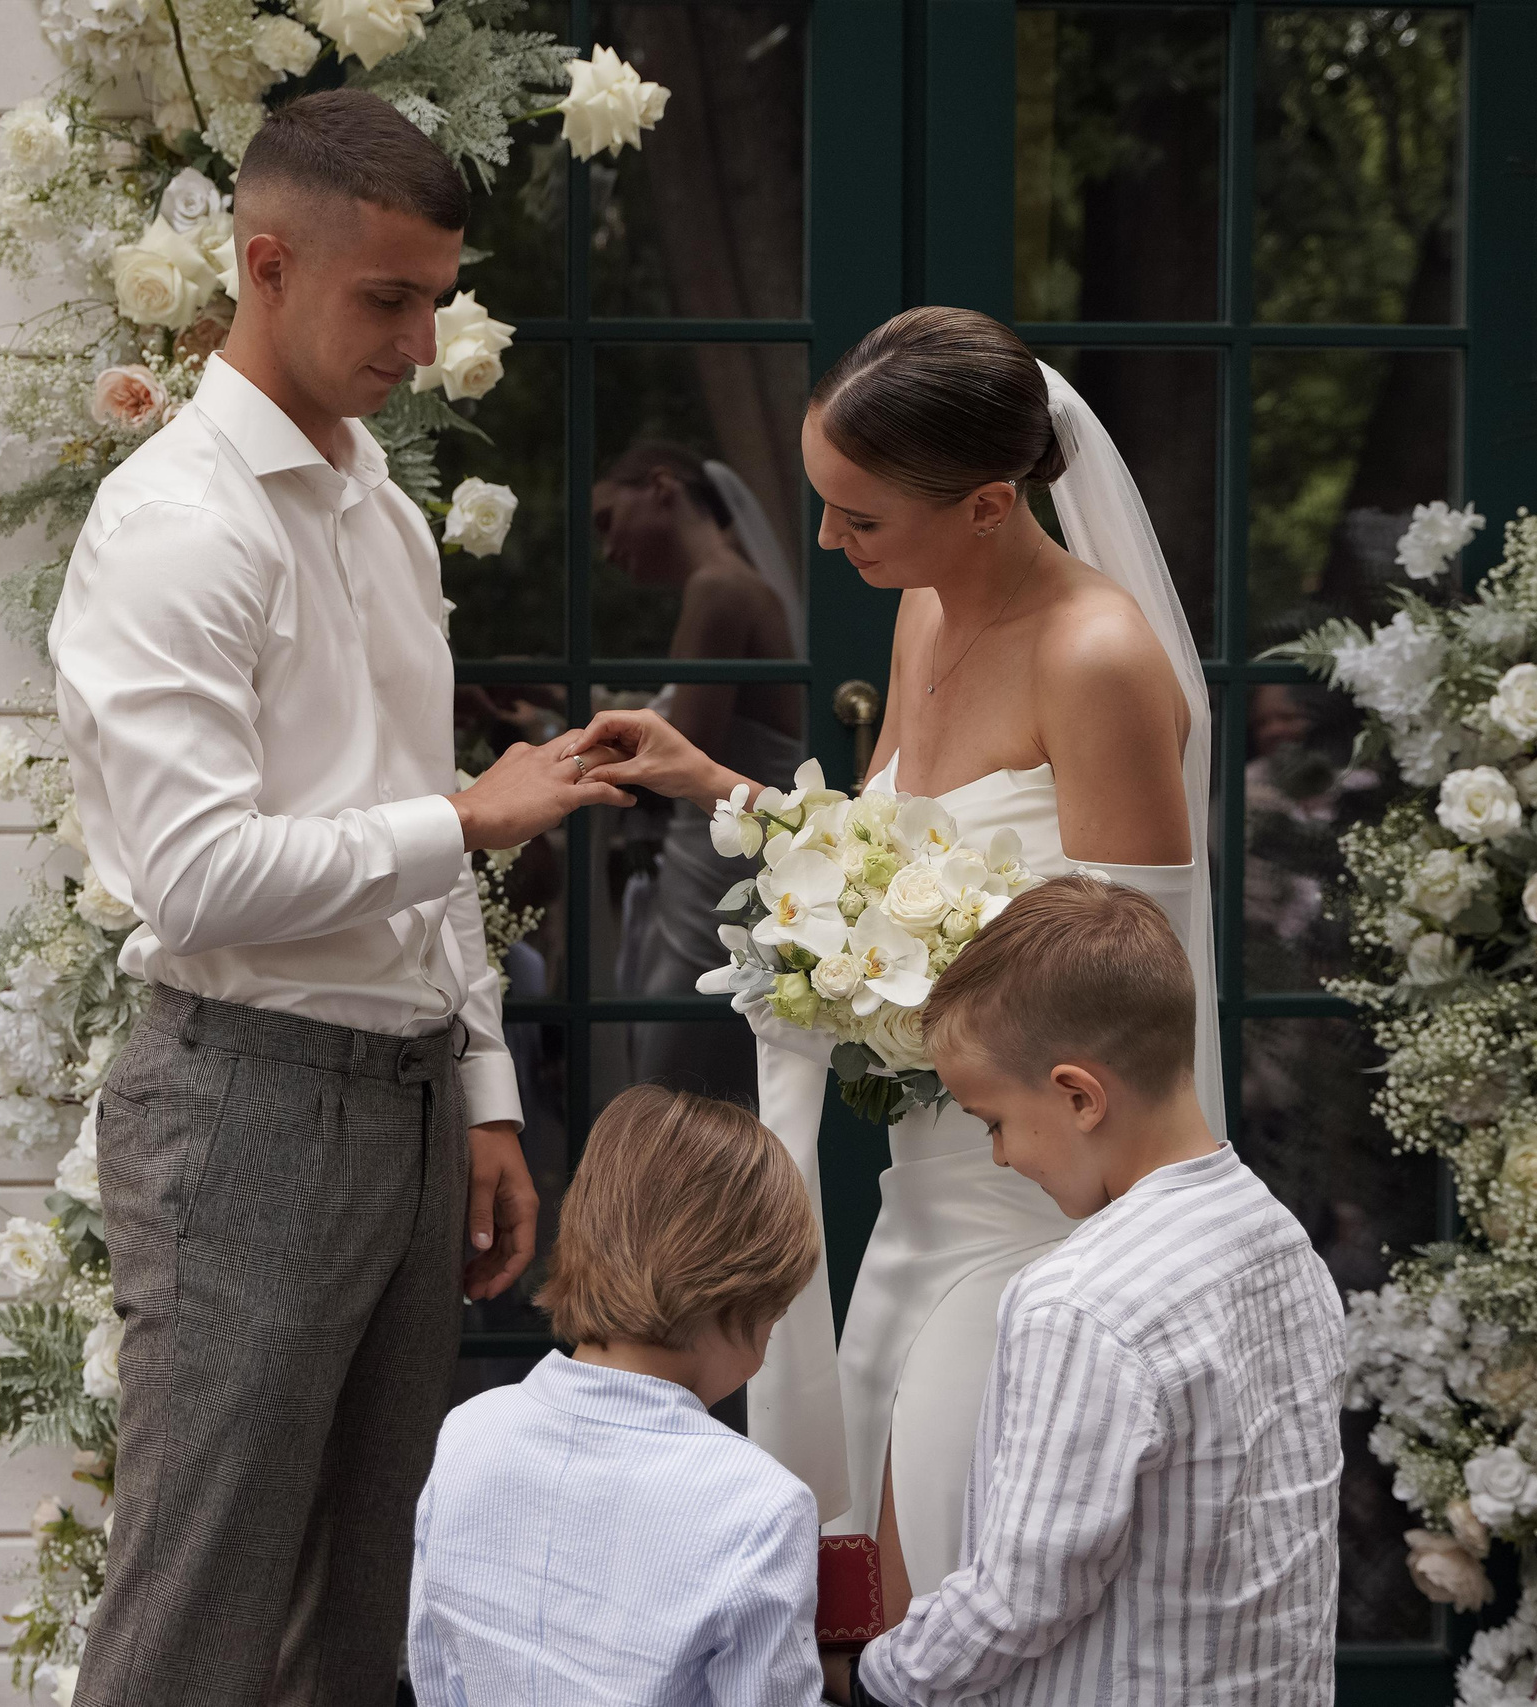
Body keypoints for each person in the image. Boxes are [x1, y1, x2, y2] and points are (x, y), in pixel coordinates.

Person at [50, 91, 630, 1707]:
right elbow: (197, 874)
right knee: (200, 1614)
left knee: (358, 1619)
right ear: (264, 262)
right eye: (390, 296)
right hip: (241, 1094)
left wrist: (487, 1091)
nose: (422, 335)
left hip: (404, 1096)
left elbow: (397, 798)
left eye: (440, 295)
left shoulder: (380, 508)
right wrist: (464, 814)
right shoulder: (177, 524)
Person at [569, 307, 1224, 1611]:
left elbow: (1131, 984)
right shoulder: (924, 609)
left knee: (966, 1551)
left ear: (989, 501)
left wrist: (902, 989)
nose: (825, 539)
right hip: (927, 1185)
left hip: (1048, 1201)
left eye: (859, 518)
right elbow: (884, 855)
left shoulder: (1093, 657)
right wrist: (715, 783)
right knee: (877, 1538)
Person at [836, 876, 1345, 1707]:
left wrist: (879, 1676)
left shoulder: (1079, 1300)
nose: (999, 1156)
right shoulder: (1282, 1240)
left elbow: (1021, 1592)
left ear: (1078, 1095)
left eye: (992, 1121)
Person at [408, 1084, 827, 1705]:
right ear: (742, 1294)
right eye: (777, 1317)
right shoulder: (762, 1507)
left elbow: (434, 1667)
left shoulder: (469, 1432)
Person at [594, 440, 805, 1105]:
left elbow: (676, 750)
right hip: (717, 863)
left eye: (607, 518)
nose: (607, 548)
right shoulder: (733, 585)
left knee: (672, 1083)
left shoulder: (718, 589)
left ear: (662, 487)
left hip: (715, 871)